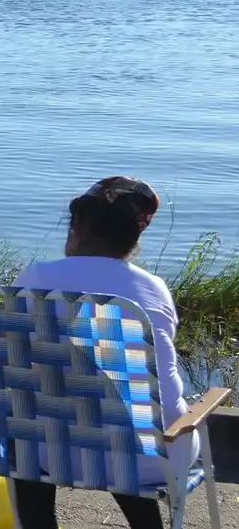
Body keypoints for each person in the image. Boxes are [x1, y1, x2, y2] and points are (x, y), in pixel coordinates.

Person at [10, 176, 192, 529]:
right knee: (122, 419)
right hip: (152, 459)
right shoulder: (152, 290)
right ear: (133, 238)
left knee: (30, 432)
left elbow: (5, 359)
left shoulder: (35, 279)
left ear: (81, 224)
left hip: (52, 454)